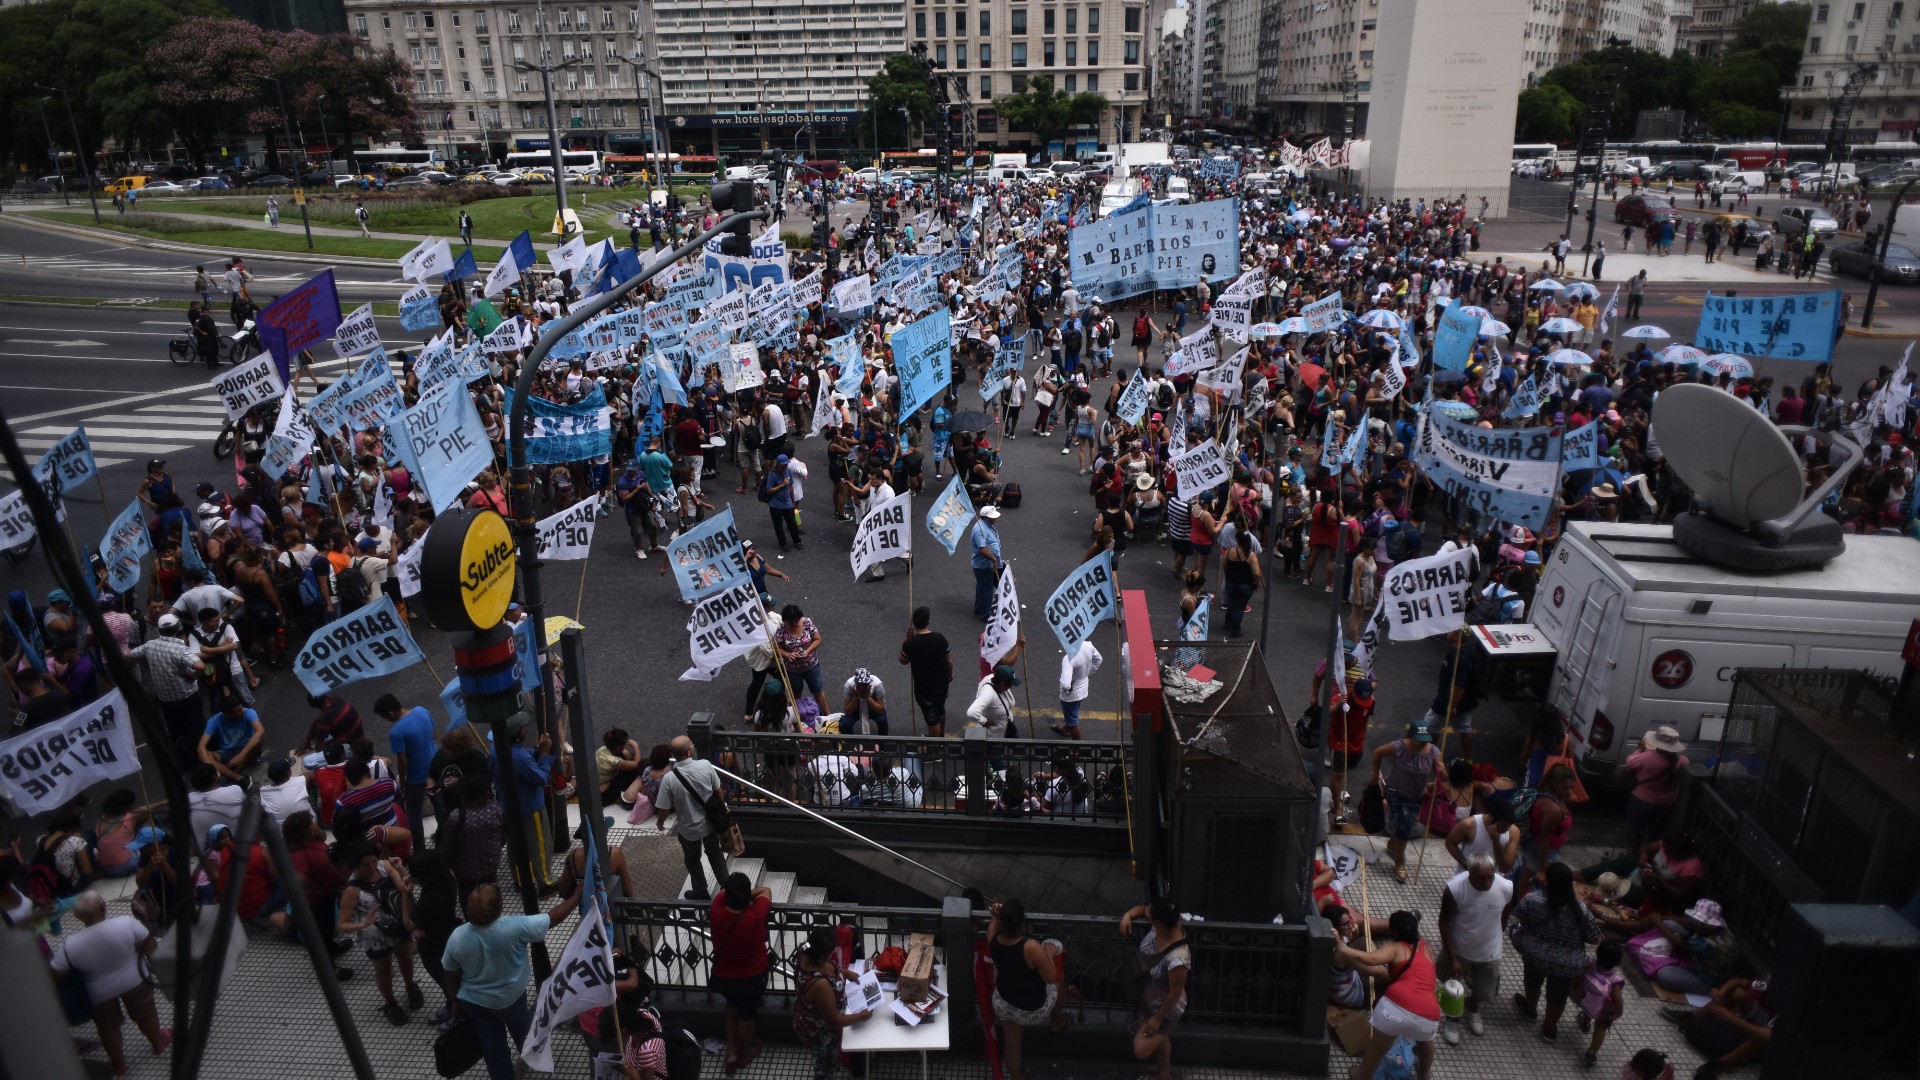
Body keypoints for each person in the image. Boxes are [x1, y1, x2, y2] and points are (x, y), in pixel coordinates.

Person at [442, 881, 583, 1080]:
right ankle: (531, 1056)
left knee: (492, 1045)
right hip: (511, 999)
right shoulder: (514, 927)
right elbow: (551, 918)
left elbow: (449, 972)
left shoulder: (458, 936)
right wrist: (576, 898)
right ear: (499, 906)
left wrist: (455, 999)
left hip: (475, 1003)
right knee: (523, 1030)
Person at [49, 892, 172, 1074]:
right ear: (102, 907)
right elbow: (151, 949)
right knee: (146, 1013)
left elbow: (56, 975)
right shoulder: (125, 923)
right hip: (135, 979)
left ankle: (118, 1064)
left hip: (98, 992)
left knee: (107, 1029)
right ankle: (158, 1042)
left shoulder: (70, 945)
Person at [1337, 910, 1440, 1080]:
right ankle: (1426, 1074)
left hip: (1396, 1005)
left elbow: (1371, 959)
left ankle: (1361, 1076)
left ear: (1395, 932)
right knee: (1426, 1044)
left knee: (1377, 1047)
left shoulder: (1395, 948)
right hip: (1429, 1012)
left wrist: (1344, 949)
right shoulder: (1426, 946)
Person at [1510, 862, 1604, 1042]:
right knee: (1557, 996)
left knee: (1532, 981)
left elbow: (1520, 916)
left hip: (1535, 955)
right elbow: (1594, 938)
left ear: (1548, 883)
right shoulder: (1581, 910)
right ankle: (1549, 1029)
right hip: (1567, 964)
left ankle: (1530, 1009)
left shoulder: (1533, 900)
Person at [337, 841, 424, 1026]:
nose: (372, 867)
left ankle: (411, 986)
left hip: (397, 925)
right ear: (355, 866)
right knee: (382, 969)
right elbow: (342, 925)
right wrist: (362, 924)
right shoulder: (352, 890)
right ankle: (390, 1003)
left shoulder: (385, 867)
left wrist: (400, 870)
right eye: (365, 865)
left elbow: (404, 889)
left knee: (405, 956)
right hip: (375, 936)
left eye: (374, 862)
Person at [1436, 853, 1514, 1045]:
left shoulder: (1506, 887)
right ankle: (1452, 1017)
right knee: (1452, 987)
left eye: (1491, 876)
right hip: (1460, 949)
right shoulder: (1455, 889)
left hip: (1490, 952)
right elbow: (1444, 922)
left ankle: (1471, 1006)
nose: (1488, 882)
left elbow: (1505, 914)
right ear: (1470, 873)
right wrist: (1452, 958)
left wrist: (1496, 935)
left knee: (1487, 991)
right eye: (1482, 877)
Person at [989, 897, 1069, 1079]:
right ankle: (1055, 1021)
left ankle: (1016, 1076)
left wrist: (995, 915)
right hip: (1032, 1009)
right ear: (1021, 922)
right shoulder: (1030, 947)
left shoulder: (993, 938)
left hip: (1004, 1002)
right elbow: (1051, 977)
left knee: (1012, 1043)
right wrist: (1048, 954)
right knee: (1060, 979)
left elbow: (994, 925)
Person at [1119, 897, 1190, 1080]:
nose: (1146, 911)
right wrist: (1128, 915)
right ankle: (1164, 1075)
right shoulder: (1162, 924)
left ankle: (1164, 1074)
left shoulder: (1178, 959)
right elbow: (1143, 909)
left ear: (1157, 923)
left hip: (1166, 1009)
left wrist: (1155, 1020)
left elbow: (1174, 993)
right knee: (1162, 1038)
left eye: (1150, 913)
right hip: (1152, 999)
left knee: (1141, 1049)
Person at [653, 735, 730, 900]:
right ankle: (727, 886)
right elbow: (718, 791)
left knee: (693, 860)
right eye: (692, 745)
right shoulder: (705, 765)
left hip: (688, 829)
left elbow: (664, 808)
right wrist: (722, 809)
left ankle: (701, 892)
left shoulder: (669, 778)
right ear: (689, 751)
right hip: (710, 823)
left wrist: (660, 822)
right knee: (715, 852)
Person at [709, 871, 772, 1072]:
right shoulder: (755, 915)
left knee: (731, 1006)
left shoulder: (717, 910)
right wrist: (748, 897)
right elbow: (766, 890)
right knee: (747, 1014)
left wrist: (739, 895)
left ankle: (731, 1053)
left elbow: (722, 894)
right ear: (745, 894)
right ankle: (744, 1053)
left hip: (724, 975)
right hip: (751, 977)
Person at [792, 926, 873, 1079]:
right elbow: (833, 1020)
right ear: (822, 957)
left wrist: (845, 972)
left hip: (806, 1019)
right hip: (821, 1032)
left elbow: (830, 968)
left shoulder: (805, 950)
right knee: (825, 1066)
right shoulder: (820, 985)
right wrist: (860, 1016)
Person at [1370, 719, 1442, 882]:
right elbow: (1378, 752)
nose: (1423, 744)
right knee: (1404, 827)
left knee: (1401, 825)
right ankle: (1400, 861)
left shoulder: (1434, 752)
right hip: (1396, 792)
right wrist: (1375, 774)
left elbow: (1441, 772)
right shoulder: (1399, 746)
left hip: (1417, 796)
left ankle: (1392, 844)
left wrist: (1442, 771)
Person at [376, 693, 437, 844]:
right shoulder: (421, 710)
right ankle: (443, 836)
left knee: (413, 811)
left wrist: (403, 781)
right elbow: (433, 735)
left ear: (390, 714)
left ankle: (419, 848)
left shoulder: (397, 732)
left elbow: (402, 762)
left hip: (417, 778)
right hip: (436, 767)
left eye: (385, 718)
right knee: (439, 804)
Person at [1624, 726, 1687, 852]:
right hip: (1667, 802)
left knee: (1635, 829)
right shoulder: (1683, 761)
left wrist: (1640, 750)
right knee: (1656, 831)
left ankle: (1634, 854)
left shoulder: (1647, 757)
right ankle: (1649, 855)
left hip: (1642, 799)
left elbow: (1630, 762)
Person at [899, 605, 954, 736]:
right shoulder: (940, 638)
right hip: (942, 683)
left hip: (924, 688)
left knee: (932, 719)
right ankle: (940, 737)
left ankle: (935, 748)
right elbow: (949, 661)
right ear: (928, 621)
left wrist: (907, 640)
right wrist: (950, 675)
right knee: (940, 710)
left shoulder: (910, 644)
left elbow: (903, 660)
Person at [1573, 940, 1627, 1067]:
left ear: (1598, 954)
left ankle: (1585, 1023)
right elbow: (1618, 998)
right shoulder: (1615, 980)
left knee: (1589, 1010)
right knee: (1601, 1028)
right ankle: (1592, 1052)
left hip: (1587, 1000)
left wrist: (1576, 987)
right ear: (1618, 962)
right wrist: (1619, 1012)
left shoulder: (1590, 964)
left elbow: (1577, 974)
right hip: (1604, 1009)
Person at [199, 692, 266, 782]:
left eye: (241, 708)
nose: (241, 711)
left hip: (247, 749)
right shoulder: (214, 720)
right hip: (228, 752)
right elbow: (201, 746)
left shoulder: (248, 712)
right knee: (207, 754)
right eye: (238, 712)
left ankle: (232, 775)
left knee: (258, 740)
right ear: (227, 714)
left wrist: (242, 754)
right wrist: (210, 767)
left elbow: (260, 730)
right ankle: (237, 778)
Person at [774, 603, 828, 714]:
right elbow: (776, 649)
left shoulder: (807, 622)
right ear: (786, 620)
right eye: (791, 621)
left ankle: (828, 716)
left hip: (811, 665)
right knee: (795, 695)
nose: (794, 624)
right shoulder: (781, 629)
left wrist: (807, 651)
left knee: (818, 692)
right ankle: (797, 719)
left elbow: (818, 639)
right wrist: (788, 655)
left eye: (796, 620)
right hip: (792, 670)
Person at [1445, 797, 1521, 874]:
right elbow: (1450, 843)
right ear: (1492, 818)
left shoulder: (1514, 832)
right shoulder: (1469, 824)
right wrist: (1466, 864)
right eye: (1503, 825)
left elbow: (1505, 868)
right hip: (1467, 876)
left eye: (1509, 826)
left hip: (1492, 880)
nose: (1506, 829)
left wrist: (1496, 841)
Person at [1055, 638, 1102, 740]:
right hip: (1083, 688)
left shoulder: (1068, 659)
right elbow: (1099, 659)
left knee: (1073, 722)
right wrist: (1089, 673)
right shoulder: (1088, 645)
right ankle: (1066, 728)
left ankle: (1076, 748)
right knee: (1072, 713)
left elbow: (1065, 685)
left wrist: (1065, 689)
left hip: (1071, 696)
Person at [966, 662, 1020, 737]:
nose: (1011, 686)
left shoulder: (992, 678)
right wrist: (985, 721)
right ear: (1002, 684)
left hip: (1003, 734)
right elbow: (971, 712)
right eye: (1010, 684)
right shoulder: (988, 694)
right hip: (992, 739)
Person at [971, 504, 1005, 620]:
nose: (995, 518)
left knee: (981, 586)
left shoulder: (987, 526)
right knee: (987, 589)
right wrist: (994, 559)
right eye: (992, 517)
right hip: (984, 566)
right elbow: (982, 549)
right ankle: (986, 615)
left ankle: (979, 607)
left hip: (985, 564)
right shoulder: (980, 530)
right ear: (985, 517)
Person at [840, 668, 889, 735]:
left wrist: (868, 698)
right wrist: (855, 697)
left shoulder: (877, 685)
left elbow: (881, 710)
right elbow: (848, 712)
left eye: (865, 685)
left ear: (869, 683)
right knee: (846, 724)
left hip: (872, 709)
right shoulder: (849, 686)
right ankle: (852, 742)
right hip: (856, 709)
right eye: (859, 685)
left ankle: (882, 741)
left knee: (882, 721)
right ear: (855, 682)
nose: (862, 688)